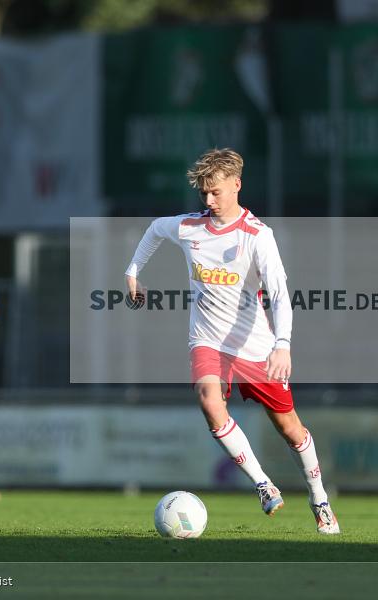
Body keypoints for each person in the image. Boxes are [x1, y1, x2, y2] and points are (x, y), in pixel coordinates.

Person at [124, 148, 339, 534]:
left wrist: (283, 344)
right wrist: (133, 272)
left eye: (216, 192)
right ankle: (262, 483)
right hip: (207, 340)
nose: (208, 201)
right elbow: (156, 228)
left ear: (236, 185)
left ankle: (319, 498)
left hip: (255, 346)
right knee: (209, 402)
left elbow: (280, 292)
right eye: (204, 193)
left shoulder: (257, 236)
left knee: (289, 427)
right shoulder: (189, 227)